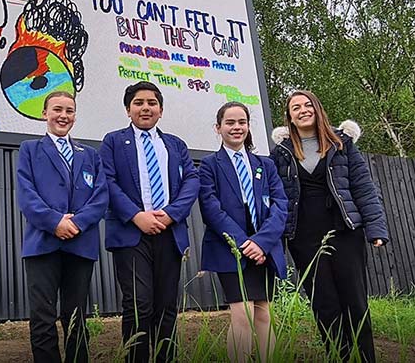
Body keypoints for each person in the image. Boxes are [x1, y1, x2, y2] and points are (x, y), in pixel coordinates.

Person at [270, 90, 389, 362]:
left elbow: (363, 187)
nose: (302, 110)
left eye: (307, 104)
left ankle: (366, 357)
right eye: (295, 107)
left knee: (355, 301)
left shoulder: (341, 143)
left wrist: (376, 229)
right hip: (304, 236)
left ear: (317, 108)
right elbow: (277, 196)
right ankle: (339, 356)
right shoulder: (282, 153)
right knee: (324, 303)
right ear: (289, 116)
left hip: (345, 230)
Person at [100, 81, 200, 363]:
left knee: (167, 306)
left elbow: (191, 181)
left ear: (161, 110)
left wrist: (171, 214)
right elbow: (107, 181)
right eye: (139, 103)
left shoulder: (175, 144)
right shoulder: (114, 141)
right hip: (131, 234)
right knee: (139, 304)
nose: (146, 107)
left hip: (170, 233)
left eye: (152, 103)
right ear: (128, 110)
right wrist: (136, 216)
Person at [16, 90, 109, 363]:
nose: (63, 115)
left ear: (75, 116)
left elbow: (101, 196)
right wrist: (55, 222)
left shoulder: (90, 155)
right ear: (45, 113)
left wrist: (77, 223)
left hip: (80, 245)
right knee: (43, 316)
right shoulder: (30, 150)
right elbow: (27, 194)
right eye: (57, 109)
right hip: (42, 243)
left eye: (69, 110)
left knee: (77, 315)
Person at [198, 102, 288, 362]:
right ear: (218, 128)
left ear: (248, 127)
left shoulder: (266, 165)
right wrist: (243, 243)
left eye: (242, 122)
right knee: (242, 314)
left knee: (263, 313)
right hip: (230, 250)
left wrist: (261, 243)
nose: (236, 128)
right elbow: (211, 208)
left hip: (264, 251)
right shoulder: (209, 166)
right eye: (230, 122)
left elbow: (280, 205)